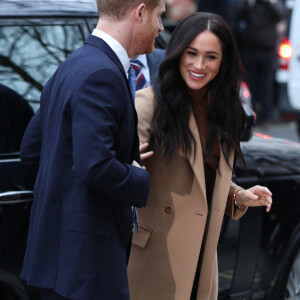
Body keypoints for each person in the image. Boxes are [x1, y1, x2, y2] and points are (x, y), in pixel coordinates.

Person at [19, 0, 165, 299]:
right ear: (140, 12)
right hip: (86, 266)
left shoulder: (71, 65)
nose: (161, 27)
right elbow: (95, 165)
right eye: (159, 15)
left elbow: (31, 152)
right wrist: (137, 175)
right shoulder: (104, 73)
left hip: (59, 261)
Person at [127, 12, 272, 300]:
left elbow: (201, 177)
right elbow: (114, 167)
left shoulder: (225, 111)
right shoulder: (149, 103)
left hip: (202, 257)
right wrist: (128, 164)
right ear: (177, 53)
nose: (198, 65)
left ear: (224, 62)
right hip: (156, 258)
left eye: (210, 57)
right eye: (191, 53)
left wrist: (236, 196)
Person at [235, 0, 286, 127]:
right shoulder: (251, 4)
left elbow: (281, 13)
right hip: (250, 49)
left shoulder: (273, 4)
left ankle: (266, 118)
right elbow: (238, 14)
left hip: (268, 51)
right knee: (249, 83)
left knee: (266, 86)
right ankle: (249, 114)